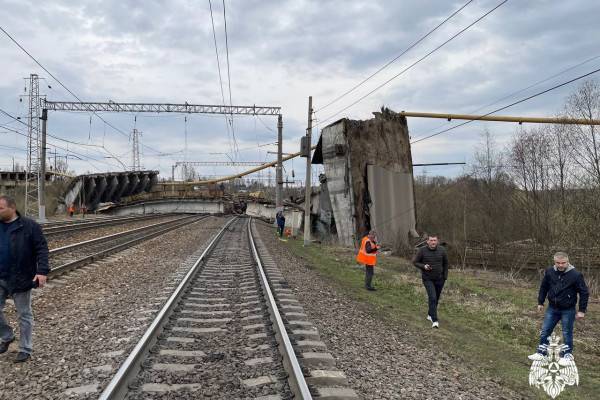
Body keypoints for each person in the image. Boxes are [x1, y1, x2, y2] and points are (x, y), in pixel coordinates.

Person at [0, 195, 49, 363]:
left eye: (1, 208)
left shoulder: (29, 226)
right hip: (1, 276)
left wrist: (42, 271)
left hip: (20, 276)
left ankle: (25, 348)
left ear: (12, 208)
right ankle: (7, 336)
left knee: (24, 314)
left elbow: (42, 248)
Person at [528, 252, 588, 362]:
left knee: (567, 332)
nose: (560, 265)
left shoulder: (575, 275)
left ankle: (567, 355)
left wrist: (581, 310)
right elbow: (544, 287)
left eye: (563, 263)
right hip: (552, 308)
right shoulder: (550, 271)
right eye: (558, 263)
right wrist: (540, 302)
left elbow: (584, 292)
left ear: (568, 261)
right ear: (554, 262)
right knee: (545, 330)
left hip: (568, 309)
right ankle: (541, 353)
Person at [412, 234, 448, 328]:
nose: (433, 242)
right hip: (428, 278)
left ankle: (429, 314)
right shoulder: (422, 250)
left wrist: (445, 277)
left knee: (435, 298)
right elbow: (415, 262)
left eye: (434, 240)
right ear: (427, 241)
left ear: (437, 241)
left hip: (440, 279)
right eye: (431, 240)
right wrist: (424, 266)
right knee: (432, 297)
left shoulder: (442, 250)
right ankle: (435, 320)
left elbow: (446, 264)